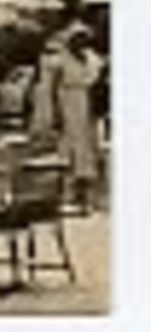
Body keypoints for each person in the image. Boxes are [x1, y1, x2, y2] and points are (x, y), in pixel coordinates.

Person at [55, 25, 103, 212]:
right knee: (69, 150)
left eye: (84, 38)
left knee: (88, 149)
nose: (81, 41)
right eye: (77, 38)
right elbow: (54, 87)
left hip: (87, 103)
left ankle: (86, 198)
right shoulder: (62, 60)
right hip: (69, 101)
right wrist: (58, 113)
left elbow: (98, 82)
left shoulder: (91, 58)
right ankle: (65, 194)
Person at [30, 36, 64, 143]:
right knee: (45, 111)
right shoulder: (54, 59)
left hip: (46, 87)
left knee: (46, 111)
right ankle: (43, 135)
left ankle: (45, 135)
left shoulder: (45, 58)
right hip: (46, 87)